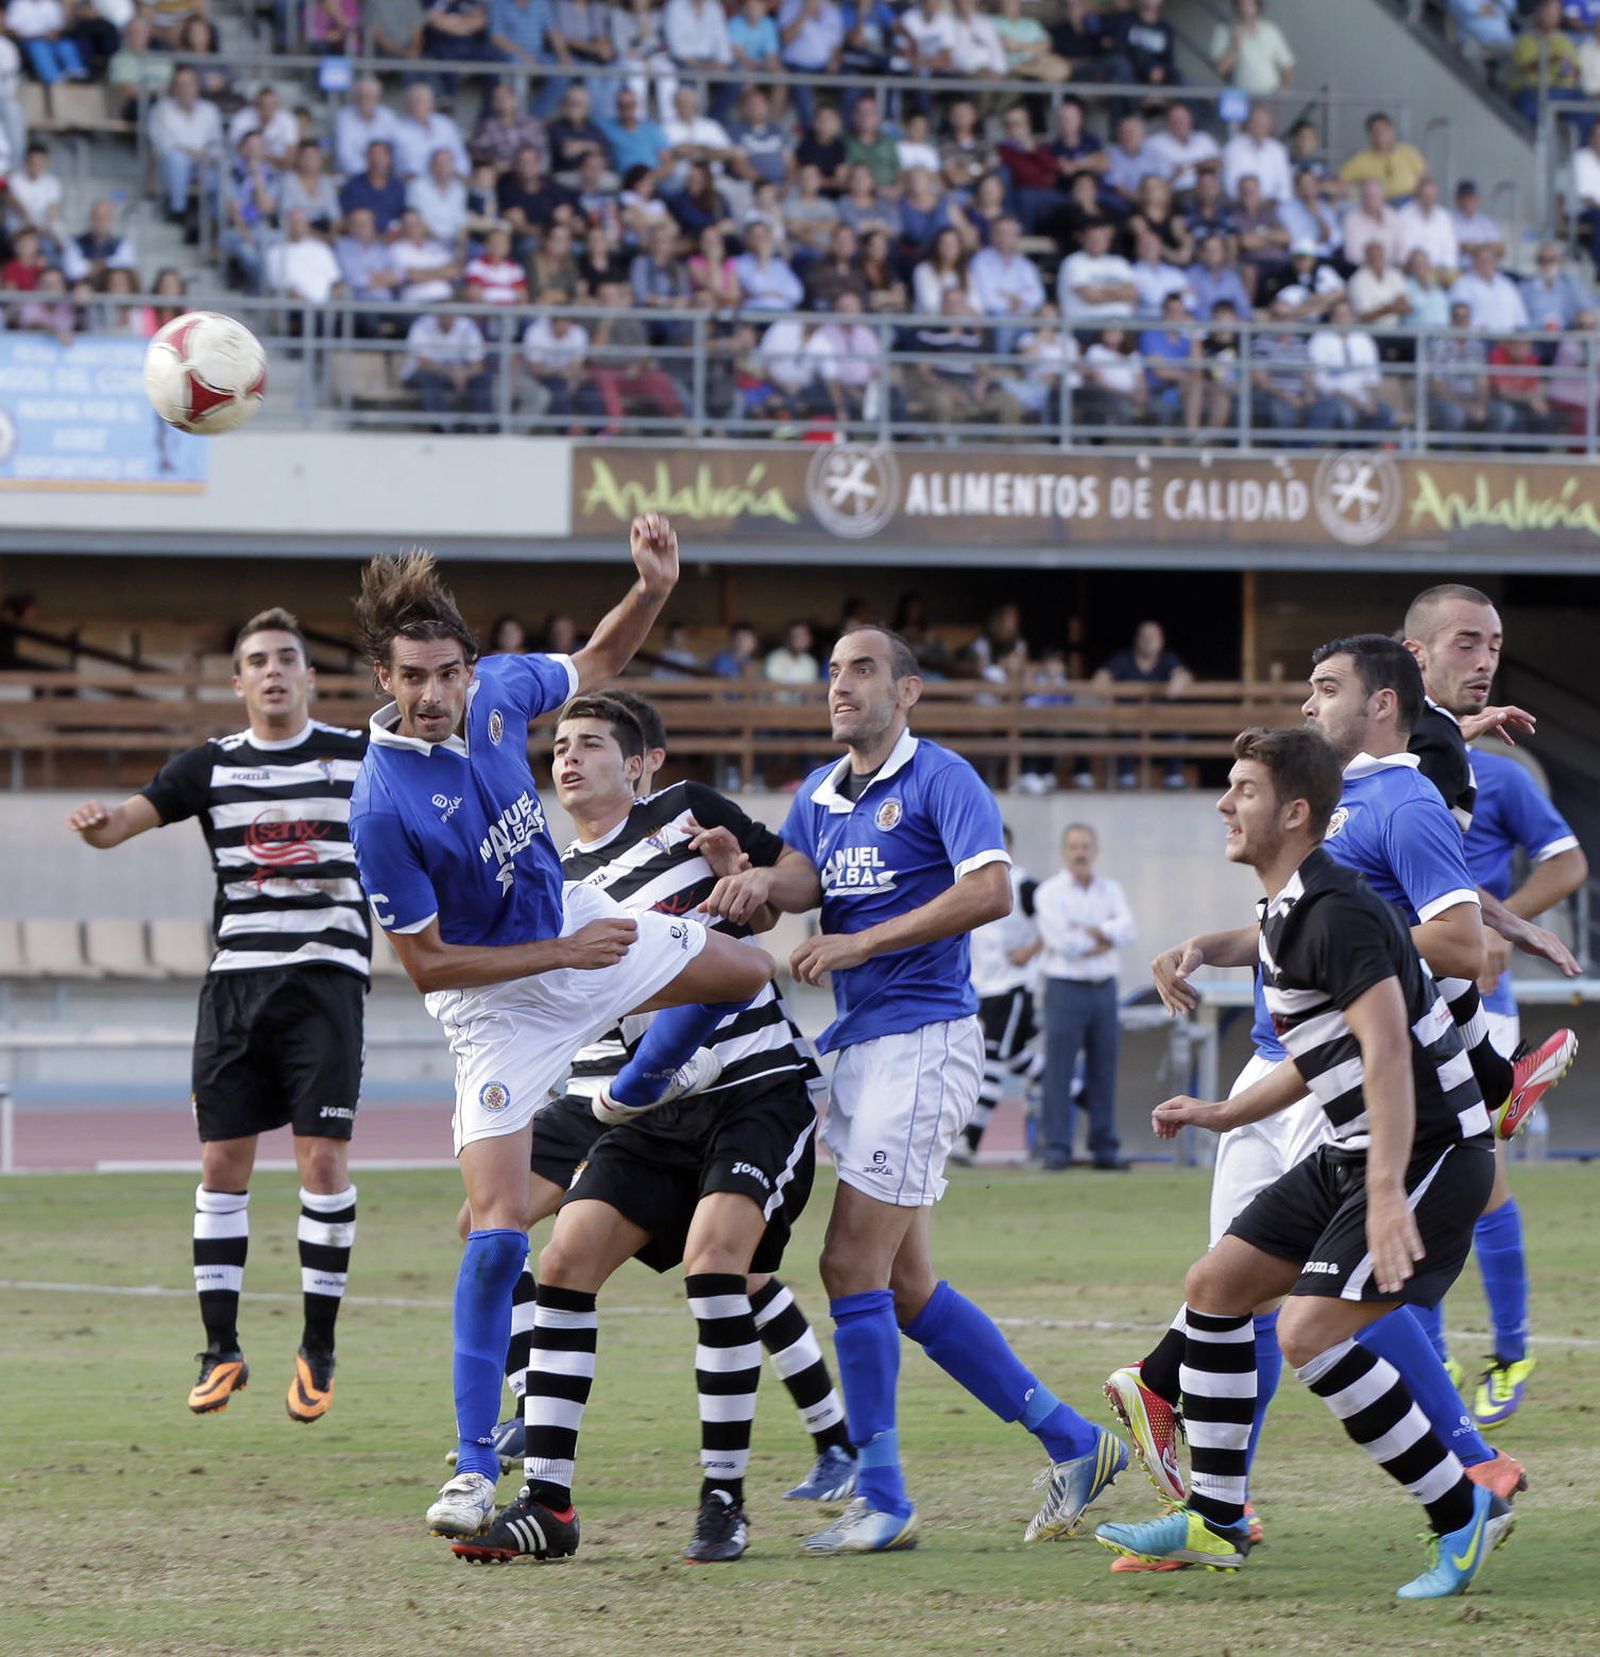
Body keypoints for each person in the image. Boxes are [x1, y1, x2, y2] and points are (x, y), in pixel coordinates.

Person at [347, 530, 780, 1542]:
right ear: (384, 678)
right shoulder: (380, 803)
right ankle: (469, 1468)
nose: (436, 695)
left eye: (447, 674)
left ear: (467, 667)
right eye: (413, 679)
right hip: (497, 1002)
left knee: (748, 970)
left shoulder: (499, 691)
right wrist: (562, 961)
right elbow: (429, 965)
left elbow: (598, 662)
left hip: (569, 933)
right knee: (497, 1229)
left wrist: (651, 587)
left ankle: (641, 1078)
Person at [1108, 632, 1572, 1556]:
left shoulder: (1388, 819)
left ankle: (1462, 1486)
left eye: (1327, 686)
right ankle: (1214, 1507)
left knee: (1309, 1321)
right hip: (1306, 1083)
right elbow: (1347, 972)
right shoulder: (1309, 870)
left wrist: (1393, 1179)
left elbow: (1443, 965)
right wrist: (1220, 1097)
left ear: (1384, 699)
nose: (1311, 702)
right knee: (1224, 1286)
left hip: (1384, 1117)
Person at [702, 626, 1129, 1554]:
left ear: (909, 691)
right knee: (905, 1287)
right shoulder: (820, 792)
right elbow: (799, 883)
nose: (841, 686)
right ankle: (1078, 1442)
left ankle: (885, 1494)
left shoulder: (942, 779)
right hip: (861, 1047)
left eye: (862, 670)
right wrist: (745, 877)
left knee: (847, 1266)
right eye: (832, 672)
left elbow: (991, 892)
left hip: (925, 1040)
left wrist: (862, 940)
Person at [447, 693, 855, 1562]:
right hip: (644, 1103)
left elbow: (798, 883)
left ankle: (724, 1498)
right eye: (558, 746)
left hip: (753, 1086)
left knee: (717, 1263)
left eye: (589, 743)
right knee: (559, 1258)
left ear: (634, 764)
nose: (567, 758)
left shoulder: (685, 812)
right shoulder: (553, 878)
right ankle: (548, 1504)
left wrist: (746, 880)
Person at [65, 610, 368, 1426]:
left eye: (288, 659)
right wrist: (99, 830)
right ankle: (220, 1348)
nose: (273, 672)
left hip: (325, 982)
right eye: (258, 661)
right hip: (235, 988)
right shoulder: (209, 767)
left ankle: (318, 1347)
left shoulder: (356, 755)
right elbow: (125, 821)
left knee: (323, 1163)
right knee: (221, 1163)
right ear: (238, 682)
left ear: (309, 677)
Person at [1400, 584, 1582, 1417]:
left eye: (1495, 646)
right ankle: (1432, 1361)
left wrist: (1501, 927)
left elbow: (1567, 863)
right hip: (1394, 992)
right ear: (1418, 654)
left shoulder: (1499, 777)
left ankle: (1506, 1355)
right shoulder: (1382, 755)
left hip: (1464, 991)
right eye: (1467, 643)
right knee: (1414, 1183)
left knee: (1477, 1179)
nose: (1484, 660)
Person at [1034, 825, 1132, 1172]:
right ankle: (1056, 1148)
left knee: (1104, 1068)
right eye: (1074, 847)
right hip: (1065, 987)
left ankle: (1105, 1147)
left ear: (1095, 850)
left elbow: (1128, 930)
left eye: (1086, 846)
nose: (1080, 853)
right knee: (1059, 1070)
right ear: (1064, 851)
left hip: (1104, 987)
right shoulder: (1049, 893)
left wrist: (1090, 931)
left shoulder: (1111, 889)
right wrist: (1106, 936)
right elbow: (1064, 944)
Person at [956, 825, 1042, 1163]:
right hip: (981, 989)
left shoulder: (1024, 885)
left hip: (1012, 988)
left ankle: (970, 1141)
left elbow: (1055, 924)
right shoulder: (966, 884)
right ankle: (1082, 1096)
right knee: (1020, 1060)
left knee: (990, 1060)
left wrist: (1031, 950)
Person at [1092, 619, 1192, 787]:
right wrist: (1109, 697)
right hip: (1128, 718)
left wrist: (1178, 681)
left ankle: (1173, 777)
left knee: (1178, 730)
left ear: (1161, 641)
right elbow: (1100, 678)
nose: (1149, 640)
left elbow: (1182, 674)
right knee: (1123, 728)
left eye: (1154, 636)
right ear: (1137, 639)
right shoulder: (1123, 658)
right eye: (1145, 636)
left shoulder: (1167, 659)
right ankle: (1126, 778)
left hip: (1160, 720)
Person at [1209, 0, 1294, 95]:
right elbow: (1220, 69)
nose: (1245, 8)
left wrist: (1280, 92)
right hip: (1238, 96)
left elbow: (1287, 66)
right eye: (1242, 4)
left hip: (1269, 96)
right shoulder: (1224, 30)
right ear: (1236, 6)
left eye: (1249, 4)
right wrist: (1235, 46)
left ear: (1257, 5)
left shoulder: (1271, 30)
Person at [1338, 112, 1426, 203]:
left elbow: (1424, 180)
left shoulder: (1408, 152)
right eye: (1376, 131)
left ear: (1392, 131)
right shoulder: (1361, 159)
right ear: (1370, 135)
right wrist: (1358, 194)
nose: (1381, 135)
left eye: (1385, 130)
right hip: (1381, 204)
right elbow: (1339, 181)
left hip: (1410, 201)